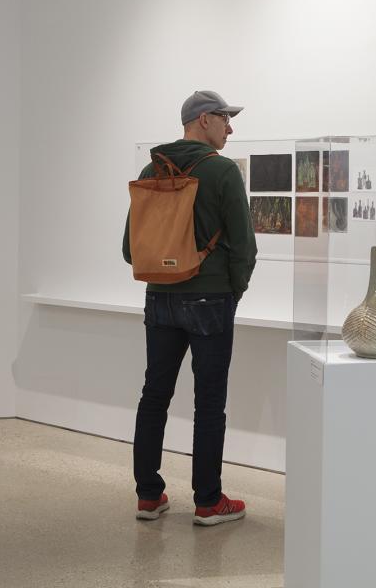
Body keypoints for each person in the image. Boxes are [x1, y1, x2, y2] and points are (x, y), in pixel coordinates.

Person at [122, 90, 257, 526]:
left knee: (154, 394)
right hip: (210, 300)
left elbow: (130, 249)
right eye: (225, 118)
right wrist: (234, 289)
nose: (230, 127)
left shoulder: (151, 169)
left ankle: (148, 495)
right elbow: (245, 246)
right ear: (203, 121)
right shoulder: (222, 172)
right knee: (209, 401)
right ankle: (207, 501)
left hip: (159, 297)